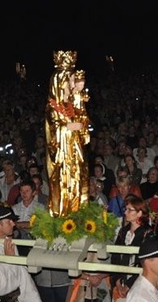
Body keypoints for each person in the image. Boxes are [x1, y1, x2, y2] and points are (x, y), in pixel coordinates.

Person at [45, 51, 89, 217]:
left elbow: (83, 123)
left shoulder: (73, 104)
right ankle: (63, 212)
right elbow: (56, 130)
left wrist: (80, 124)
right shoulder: (53, 107)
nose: (73, 83)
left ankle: (77, 210)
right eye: (69, 79)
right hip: (64, 155)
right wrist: (71, 126)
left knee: (78, 180)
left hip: (75, 152)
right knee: (64, 182)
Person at [111, 195, 153, 301]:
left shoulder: (148, 233)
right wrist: (118, 282)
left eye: (130, 210)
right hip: (121, 282)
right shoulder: (123, 232)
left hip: (140, 284)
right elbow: (115, 256)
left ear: (139, 213)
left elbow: (146, 263)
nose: (125, 213)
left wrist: (129, 285)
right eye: (126, 209)